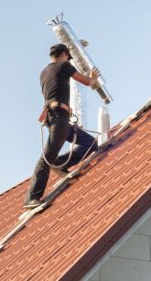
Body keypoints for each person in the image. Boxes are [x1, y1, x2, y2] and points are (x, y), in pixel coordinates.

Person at [24, 43, 100, 208]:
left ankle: (62, 164)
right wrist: (93, 77)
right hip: (58, 118)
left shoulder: (44, 72)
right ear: (65, 54)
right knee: (46, 157)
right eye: (68, 56)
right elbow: (87, 82)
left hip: (59, 118)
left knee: (91, 144)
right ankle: (32, 197)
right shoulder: (64, 65)